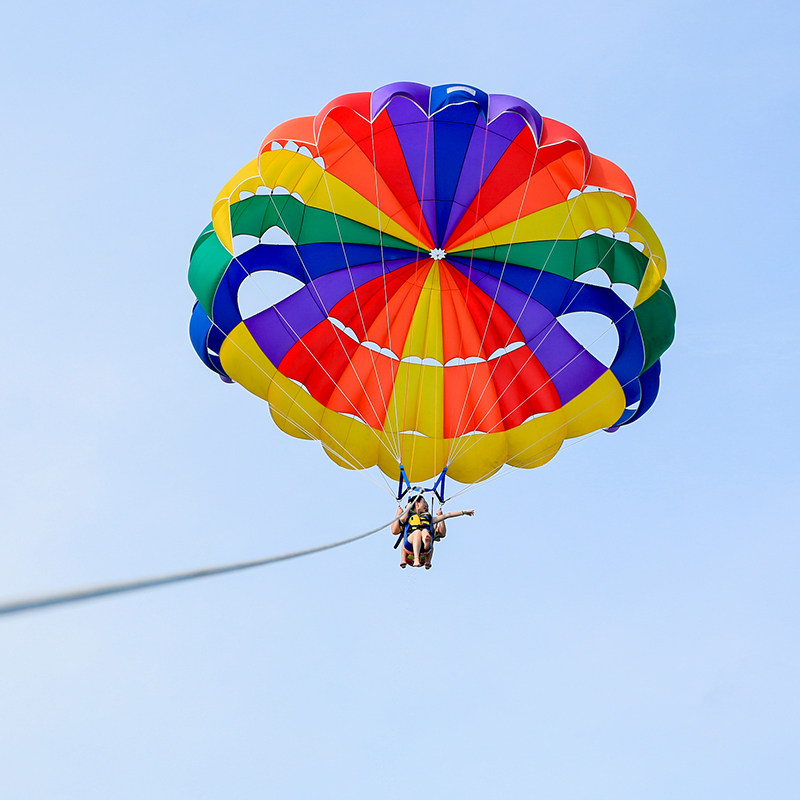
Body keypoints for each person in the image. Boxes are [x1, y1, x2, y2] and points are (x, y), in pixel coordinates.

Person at [391, 494, 474, 568]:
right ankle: (415, 558)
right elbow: (402, 519)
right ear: (417, 503)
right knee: (417, 532)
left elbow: (447, 515)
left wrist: (464, 512)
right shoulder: (408, 516)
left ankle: (426, 542)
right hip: (409, 545)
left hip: (425, 549)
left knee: (424, 531)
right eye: (424, 502)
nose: (426, 506)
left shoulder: (429, 519)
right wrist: (407, 508)